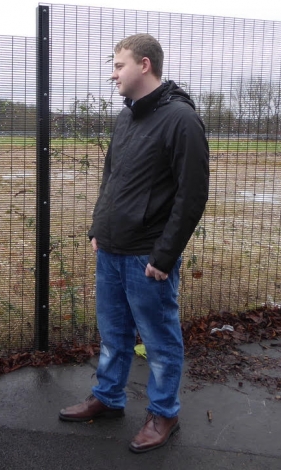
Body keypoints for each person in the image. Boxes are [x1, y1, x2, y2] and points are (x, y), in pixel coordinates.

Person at [59, 34, 209, 454]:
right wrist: (97, 229)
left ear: (144, 65)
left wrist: (165, 255)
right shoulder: (126, 118)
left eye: (118, 64)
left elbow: (191, 195)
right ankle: (108, 398)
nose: (113, 73)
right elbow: (112, 178)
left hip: (148, 257)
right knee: (113, 333)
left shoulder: (181, 120)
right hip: (110, 249)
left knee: (160, 341)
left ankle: (164, 413)